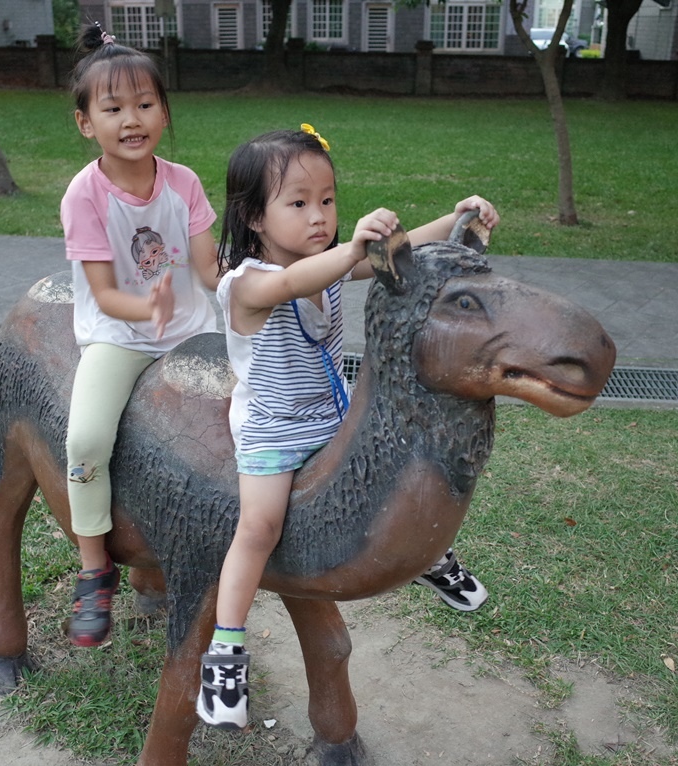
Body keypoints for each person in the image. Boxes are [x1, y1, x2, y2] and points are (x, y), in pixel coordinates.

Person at [197, 125, 499, 729]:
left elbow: (402, 251)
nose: (320, 216)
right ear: (255, 217)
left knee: (398, 473)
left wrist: (459, 216)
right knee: (259, 527)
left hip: (332, 416)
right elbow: (290, 284)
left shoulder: (327, 266)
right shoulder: (248, 284)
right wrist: (353, 247)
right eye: (299, 203)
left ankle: (429, 557)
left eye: (328, 201)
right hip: (274, 428)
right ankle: (225, 653)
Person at [60, 22, 220, 647]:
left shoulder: (183, 182)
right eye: (114, 108)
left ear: (164, 111)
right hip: (119, 334)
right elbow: (104, 293)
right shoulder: (85, 194)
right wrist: (146, 309)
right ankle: (95, 571)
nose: (133, 119)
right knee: (87, 440)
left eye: (146, 104)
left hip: (191, 330)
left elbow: (209, 270)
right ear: (85, 123)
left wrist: (263, 275)